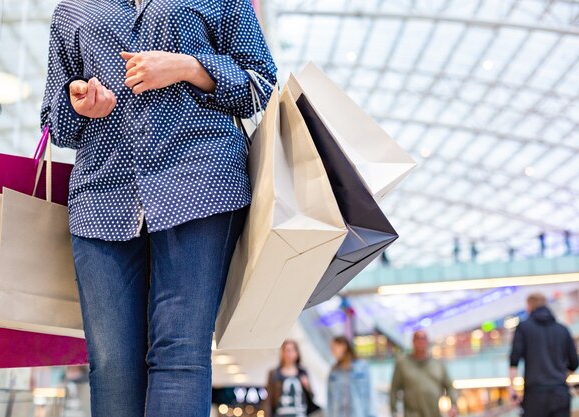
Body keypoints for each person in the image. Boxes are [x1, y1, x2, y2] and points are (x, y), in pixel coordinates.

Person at [40, 0, 277, 416]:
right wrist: (79, 103)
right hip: (101, 197)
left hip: (201, 183)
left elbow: (261, 85)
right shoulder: (72, 9)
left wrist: (190, 67)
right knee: (111, 366)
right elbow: (55, 122)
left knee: (180, 357)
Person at [509, 292, 578, 417]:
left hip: (535, 395)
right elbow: (574, 361)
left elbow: (514, 360)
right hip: (560, 392)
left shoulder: (524, 328)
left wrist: (512, 390)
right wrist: (561, 376)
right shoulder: (562, 329)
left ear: (529, 307)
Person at [390, 330, 458, 417]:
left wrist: (453, 405)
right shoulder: (402, 364)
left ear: (427, 341)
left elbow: (449, 387)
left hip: (434, 413)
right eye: (417, 338)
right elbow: (394, 390)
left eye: (423, 338)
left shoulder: (438, 364)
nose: (420, 341)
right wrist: (394, 412)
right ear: (413, 341)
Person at [265, 340, 317, 417]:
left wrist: (307, 387)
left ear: (297, 353)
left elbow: (312, 397)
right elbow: (268, 400)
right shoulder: (274, 374)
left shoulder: (302, 373)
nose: (288, 354)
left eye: (291, 350)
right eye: (285, 351)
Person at [327, 336, 375, 417]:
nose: (333, 352)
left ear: (344, 347)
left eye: (334, 348)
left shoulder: (362, 367)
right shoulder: (333, 373)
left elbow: (370, 394)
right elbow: (330, 400)